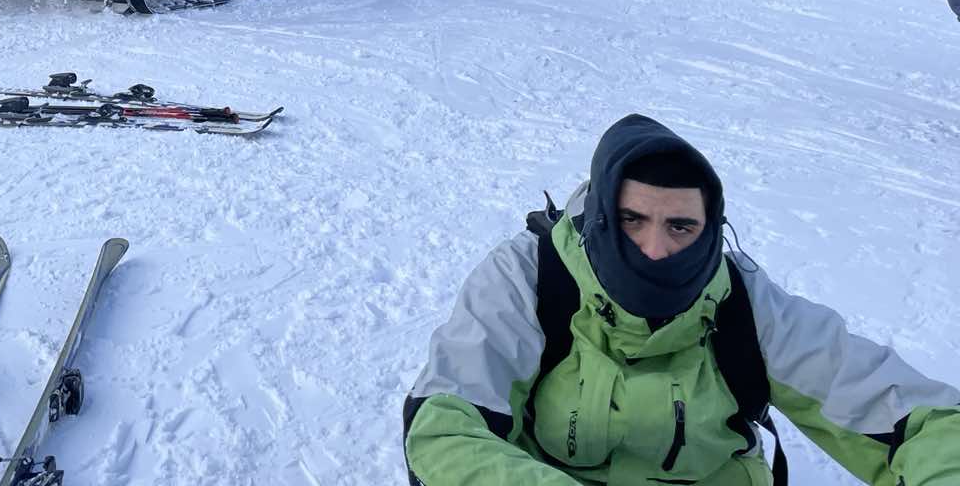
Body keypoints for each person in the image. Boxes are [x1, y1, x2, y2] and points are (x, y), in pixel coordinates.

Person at [403, 114, 960, 485]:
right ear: (598, 217)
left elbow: (919, 420)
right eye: (632, 219)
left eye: (681, 227)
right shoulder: (530, 278)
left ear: (711, 230)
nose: (655, 249)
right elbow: (443, 428)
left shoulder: (743, 303)